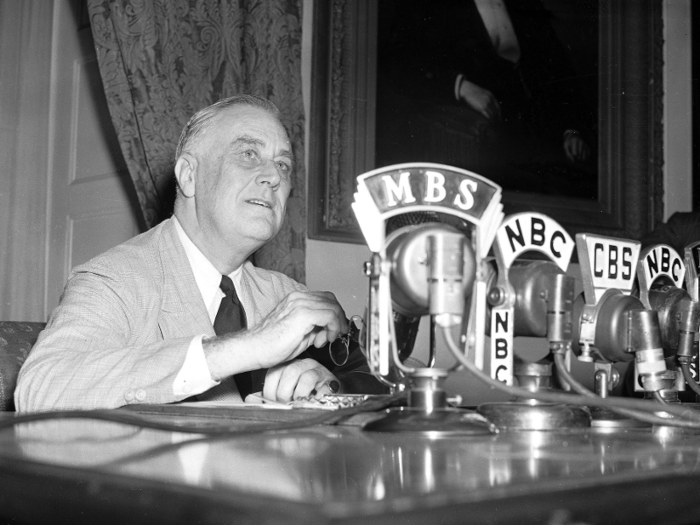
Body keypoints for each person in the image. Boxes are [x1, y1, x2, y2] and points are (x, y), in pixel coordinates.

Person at [15, 95, 384, 412]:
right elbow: (38, 389)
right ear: (189, 176)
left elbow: (383, 383)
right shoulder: (116, 278)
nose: (273, 176)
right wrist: (246, 347)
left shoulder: (285, 293)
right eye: (248, 154)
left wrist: (329, 385)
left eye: (283, 164)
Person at [375, 0, 597, 198]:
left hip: (544, 134)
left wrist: (571, 129)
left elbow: (556, 66)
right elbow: (399, 62)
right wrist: (459, 86)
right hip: (492, 141)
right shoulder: (431, 5)